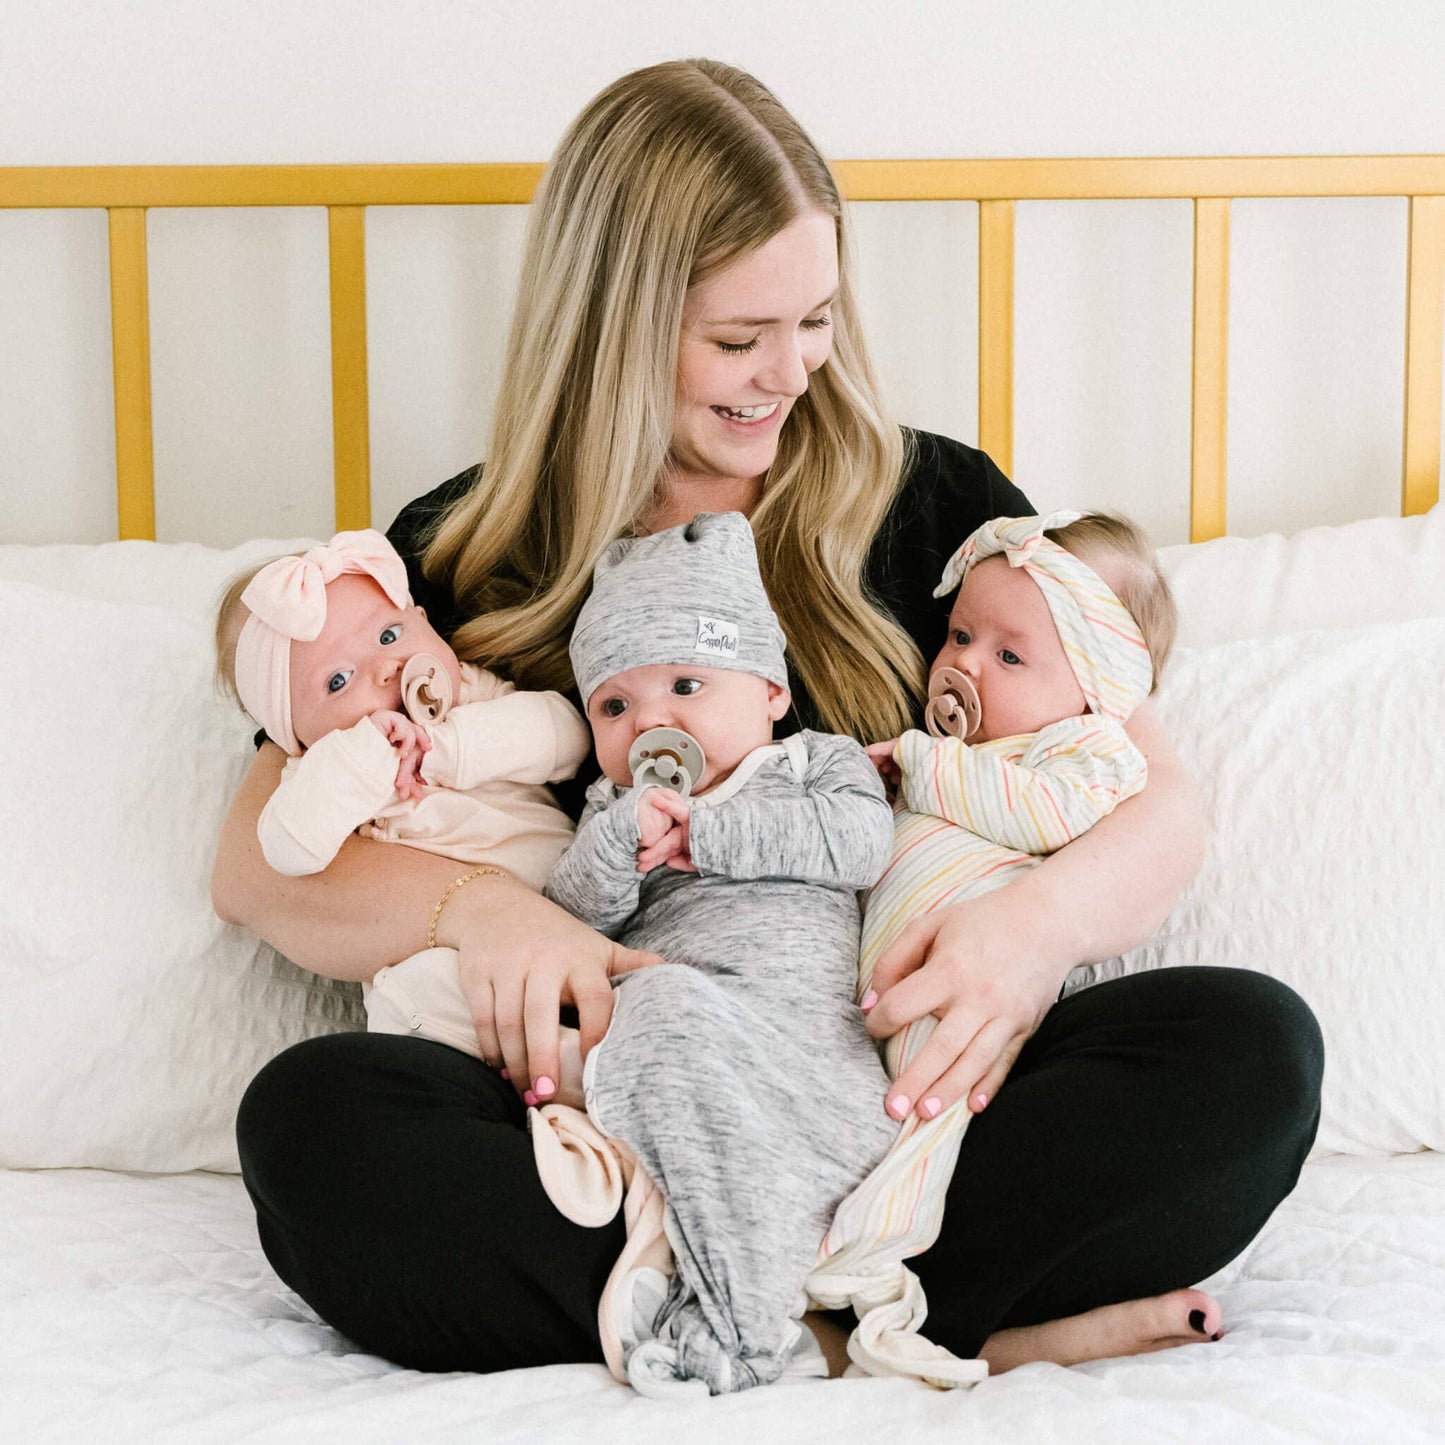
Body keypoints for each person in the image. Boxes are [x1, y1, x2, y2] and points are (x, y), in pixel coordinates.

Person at [217, 58, 1323, 1378]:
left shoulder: (937, 505)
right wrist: (480, 910)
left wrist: (1036, 931)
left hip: (911, 1106)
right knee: (314, 1128)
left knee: (1249, 1052)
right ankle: (889, 1319)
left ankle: (756, 1309)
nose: (789, 374)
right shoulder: (460, 555)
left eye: (814, 321)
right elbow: (253, 866)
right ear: (614, 325)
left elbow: (1156, 793)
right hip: (627, 1121)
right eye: (737, 340)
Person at [808, 509, 1187, 1382]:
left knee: (920, 1130)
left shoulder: (1084, 751)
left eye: (1009, 656)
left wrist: (915, 762)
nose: (963, 665)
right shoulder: (962, 750)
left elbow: (1046, 813)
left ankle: (870, 1283)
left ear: (1094, 685)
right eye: (960, 634)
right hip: (853, 1004)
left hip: (967, 1012)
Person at [534, 510, 896, 1395]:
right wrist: (618, 843)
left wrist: (715, 832)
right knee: (654, 1014)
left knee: (675, 1031)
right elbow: (568, 917)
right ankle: (737, 1302)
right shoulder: (608, 810)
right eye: (615, 705)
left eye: (686, 685)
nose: (648, 721)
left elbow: (860, 843)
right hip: (687, 1032)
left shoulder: (816, 764)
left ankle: (740, 1319)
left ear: (770, 692)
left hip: (808, 1048)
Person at [213, 527, 594, 1053]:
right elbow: (285, 848)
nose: (383, 668)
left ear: (424, 622)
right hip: (459, 954)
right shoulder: (327, 768)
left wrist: (445, 747)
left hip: (576, 898)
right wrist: (362, 759)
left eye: (389, 636)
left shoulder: (468, 692)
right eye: (338, 681)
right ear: (292, 737)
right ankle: (566, 1069)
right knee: (407, 997)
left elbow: (567, 736)